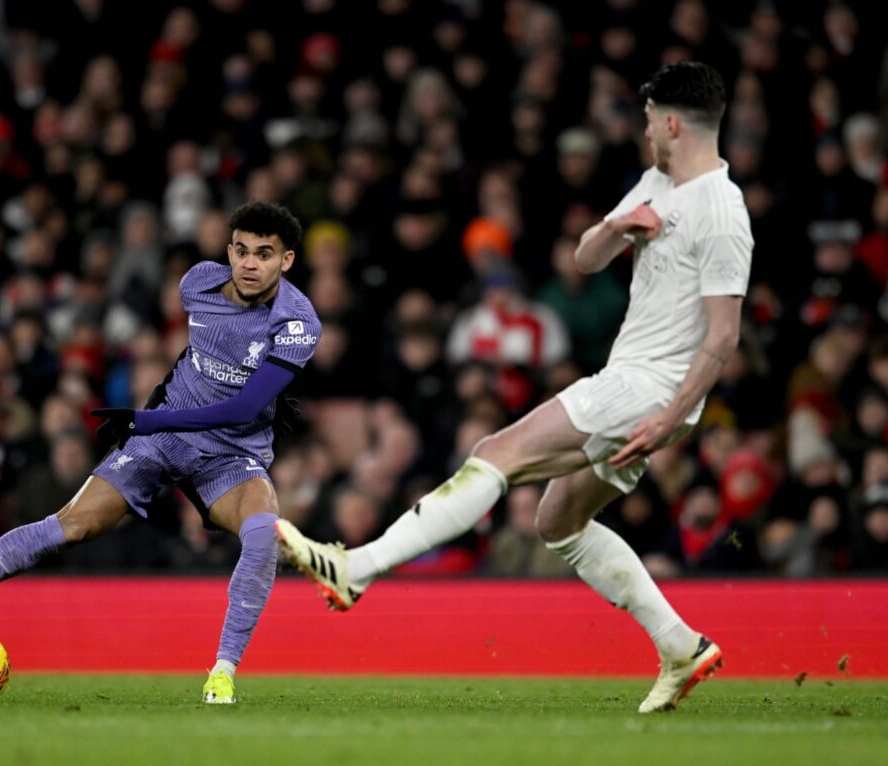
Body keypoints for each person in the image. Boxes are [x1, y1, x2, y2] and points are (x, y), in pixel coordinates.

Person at [276, 62, 752, 714]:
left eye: (648, 122)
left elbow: (723, 337)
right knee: (558, 522)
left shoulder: (723, 213)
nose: (645, 133)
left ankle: (355, 569)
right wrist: (617, 229)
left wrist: (670, 416)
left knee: (496, 452)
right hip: (634, 379)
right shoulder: (657, 182)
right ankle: (680, 645)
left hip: (653, 387)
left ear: (672, 122)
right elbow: (585, 256)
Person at [0, 201, 319, 704]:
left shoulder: (297, 321)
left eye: (264, 255)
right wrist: (160, 414)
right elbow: (198, 356)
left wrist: (147, 418)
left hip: (228, 453)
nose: (250, 264)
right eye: (242, 251)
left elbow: (244, 406)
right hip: (161, 439)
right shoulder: (198, 284)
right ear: (228, 250)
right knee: (72, 524)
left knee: (262, 533)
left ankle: (222, 674)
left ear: (286, 261)